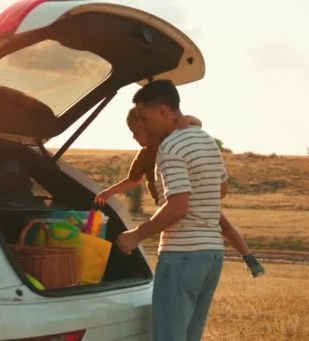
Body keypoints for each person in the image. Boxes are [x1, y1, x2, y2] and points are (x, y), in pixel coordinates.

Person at [115, 79, 227, 341]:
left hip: (182, 256)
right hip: (211, 256)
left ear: (163, 112)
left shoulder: (170, 147)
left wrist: (136, 235)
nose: (141, 124)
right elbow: (221, 189)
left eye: (144, 117)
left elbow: (178, 206)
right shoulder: (206, 139)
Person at [95, 108, 265, 277]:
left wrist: (192, 119)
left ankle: (248, 257)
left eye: (136, 132)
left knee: (224, 225)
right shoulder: (144, 156)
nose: (134, 137)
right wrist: (110, 191)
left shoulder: (173, 141)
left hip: (191, 199)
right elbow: (133, 180)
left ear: (150, 125)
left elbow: (193, 124)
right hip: (170, 205)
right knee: (173, 234)